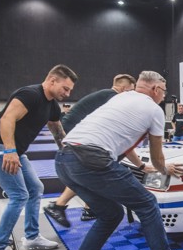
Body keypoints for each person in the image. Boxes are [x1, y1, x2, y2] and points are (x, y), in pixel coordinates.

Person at [54, 70, 183, 250]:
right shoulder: (154, 110)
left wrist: (141, 166)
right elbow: (157, 157)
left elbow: (123, 140)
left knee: (111, 214)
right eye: (164, 91)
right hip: (92, 159)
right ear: (155, 89)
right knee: (147, 203)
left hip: (64, 159)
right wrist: (164, 169)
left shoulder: (121, 99)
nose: (164, 96)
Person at [0, 64, 77, 250]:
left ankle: (32, 237)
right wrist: (9, 151)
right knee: (19, 195)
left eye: (70, 90)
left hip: (15, 150)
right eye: (65, 88)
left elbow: (57, 130)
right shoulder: (30, 94)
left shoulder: (52, 106)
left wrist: (66, 151)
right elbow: (7, 119)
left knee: (35, 188)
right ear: (52, 80)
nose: (67, 94)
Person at [44, 74, 136, 226]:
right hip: (74, 135)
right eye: (131, 91)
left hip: (73, 133)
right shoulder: (113, 97)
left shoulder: (104, 95)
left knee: (91, 171)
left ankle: (86, 208)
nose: (132, 95)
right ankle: (60, 205)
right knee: (91, 170)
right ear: (123, 88)